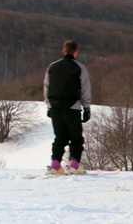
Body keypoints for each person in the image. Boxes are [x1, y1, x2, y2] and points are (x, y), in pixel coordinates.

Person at [43, 40, 91, 175]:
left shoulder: (52, 66)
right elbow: (85, 88)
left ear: (63, 51)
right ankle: (74, 165)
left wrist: (49, 105)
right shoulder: (80, 67)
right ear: (76, 52)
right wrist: (86, 108)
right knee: (76, 138)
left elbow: (46, 87)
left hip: (55, 107)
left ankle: (55, 165)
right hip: (72, 107)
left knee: (59, 138)